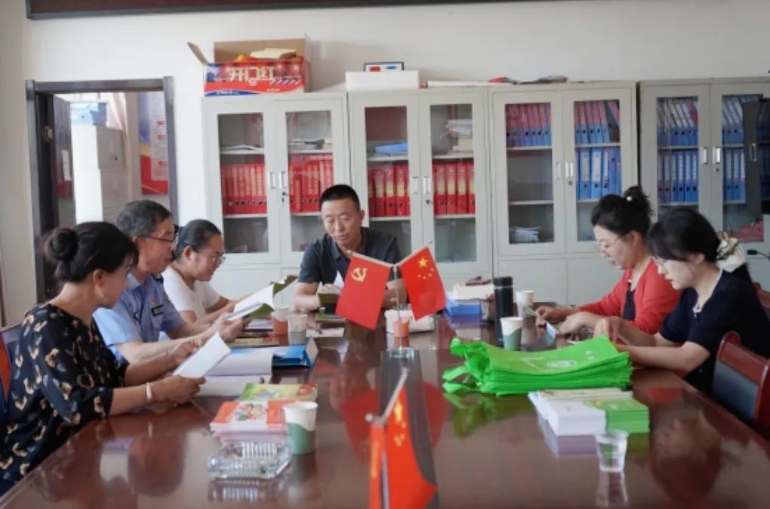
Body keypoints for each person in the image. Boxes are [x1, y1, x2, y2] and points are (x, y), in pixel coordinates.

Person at [0, 223, 205, 494]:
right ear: (98, 277)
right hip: (39, 471)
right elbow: (76, 405)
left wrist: (171, 358)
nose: (126, 284)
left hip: (80, 454)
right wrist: (156, 391)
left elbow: (116, 375)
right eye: (124, 274)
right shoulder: (46, 325)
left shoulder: (84, 319)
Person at [595, 208, 770, 394]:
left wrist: (620, 352)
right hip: (710, 394)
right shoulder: (692, 292)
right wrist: (620, 326)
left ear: (696, 255)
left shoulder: (727, 294)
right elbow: (656, 342)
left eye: (664, 262)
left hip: (736, 404)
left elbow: (688, 359)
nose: (660, 271)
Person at [94, 201, 242, 363]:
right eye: (166, 239)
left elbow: (180, 330)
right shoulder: (111, 288)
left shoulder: (153, 282)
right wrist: (207, 336)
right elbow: (135, 354)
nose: (172, 248)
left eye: (173, 240)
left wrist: (221, 327)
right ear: (138, 244)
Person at [536, 186, 680, 334]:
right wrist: (564, 314)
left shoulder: (659, 274)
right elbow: (606, 308)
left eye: (606, 245)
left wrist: (585, 319)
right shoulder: (633, 270)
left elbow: (645, 333)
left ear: (632, 238)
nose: (603, 254)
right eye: (600, 246)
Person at [294, 184, 405, 312]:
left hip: (378, 320)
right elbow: (298, 300)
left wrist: (350, 296)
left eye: (345, 218)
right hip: (335, 322)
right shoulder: (317, 250)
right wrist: (320, 299)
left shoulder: (385, 243)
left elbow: (399, 295)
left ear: (361, 216)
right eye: (330, 221)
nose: (338, 228)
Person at [162, 219, 239, 325]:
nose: (217, 264)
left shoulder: (197, 279)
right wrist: (233, 308)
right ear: (189, 253)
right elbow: (190, 326)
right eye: (214, 257)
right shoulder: (170, 280)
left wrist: (251, 303)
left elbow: (225, 304)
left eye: (220, 258)